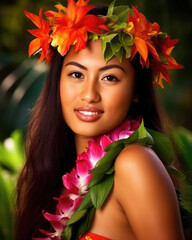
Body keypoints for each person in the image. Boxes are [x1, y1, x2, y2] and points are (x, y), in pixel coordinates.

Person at [16, 0, 186, 239]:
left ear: (136, 90)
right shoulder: (60, 175)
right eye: (76, 74)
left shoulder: (134, 164)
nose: (89, 94)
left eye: (109, 78)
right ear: (58, 82)